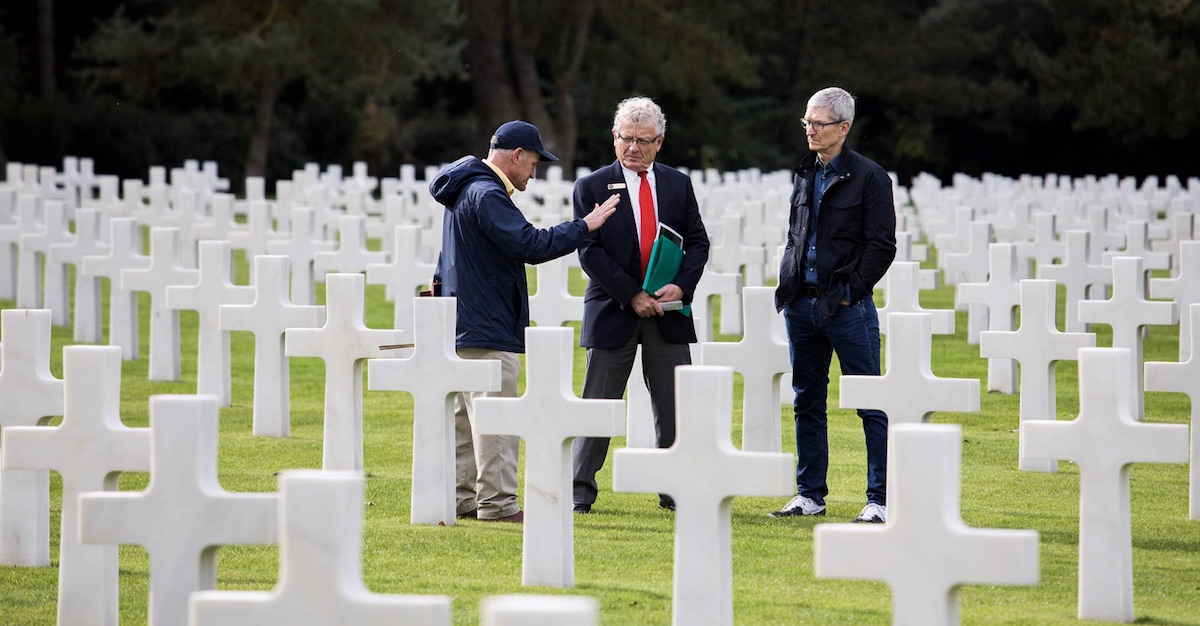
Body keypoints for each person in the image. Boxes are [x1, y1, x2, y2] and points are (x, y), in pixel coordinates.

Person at [431, 120, 620, 523]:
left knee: (466, 420)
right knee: (496, 420)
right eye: (533, 163)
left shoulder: (465, 188)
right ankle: (498, 505)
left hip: (462, 321)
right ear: (516, 156)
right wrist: (584, 226)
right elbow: (529, 244)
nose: (534, 173)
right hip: (488, 320)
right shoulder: (487, 193)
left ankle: (465, 499)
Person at [571, 96, 710, 514]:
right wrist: (633, 294)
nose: (633, 148)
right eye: (625, 138)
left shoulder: (677, 183)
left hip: (667, 311)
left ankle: (674, 490)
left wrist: (681, 288)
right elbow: (589, 251)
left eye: (642, 140)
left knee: (673, 404)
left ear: (659, 142)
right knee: (599, 403)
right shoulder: (592, 186)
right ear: (614, 137)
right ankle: (579, 491)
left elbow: (698, 242)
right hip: (615, 307)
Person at [769, 87, 896, 523]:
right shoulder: (805, 172)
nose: (810, 129)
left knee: (869, 400)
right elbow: (796, 233)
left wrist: (848, 291)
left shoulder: (870, 177)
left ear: (843, 128)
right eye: (806, 121)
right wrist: (788, 279)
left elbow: (881, 246)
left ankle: (879, 498)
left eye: (819, 123)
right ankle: (810, 494)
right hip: (801, 305)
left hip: (846, 307)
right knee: (807, 398)